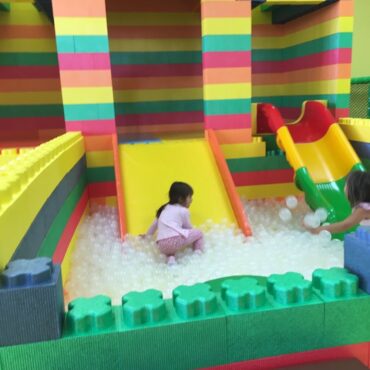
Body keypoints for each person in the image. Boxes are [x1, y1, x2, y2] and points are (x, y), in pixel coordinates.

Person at [145, 181, 204, 264]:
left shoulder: (164, 209)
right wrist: (193, 235)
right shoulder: (184, 211)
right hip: (175, 241)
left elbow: (154, 225)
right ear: (181, 199)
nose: (191, 200)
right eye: (190, 197)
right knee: (199, 233)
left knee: (170, 251)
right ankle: (198, 254)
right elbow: (188, 227)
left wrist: (147, 236)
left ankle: (171, 259)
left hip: (161, 245)